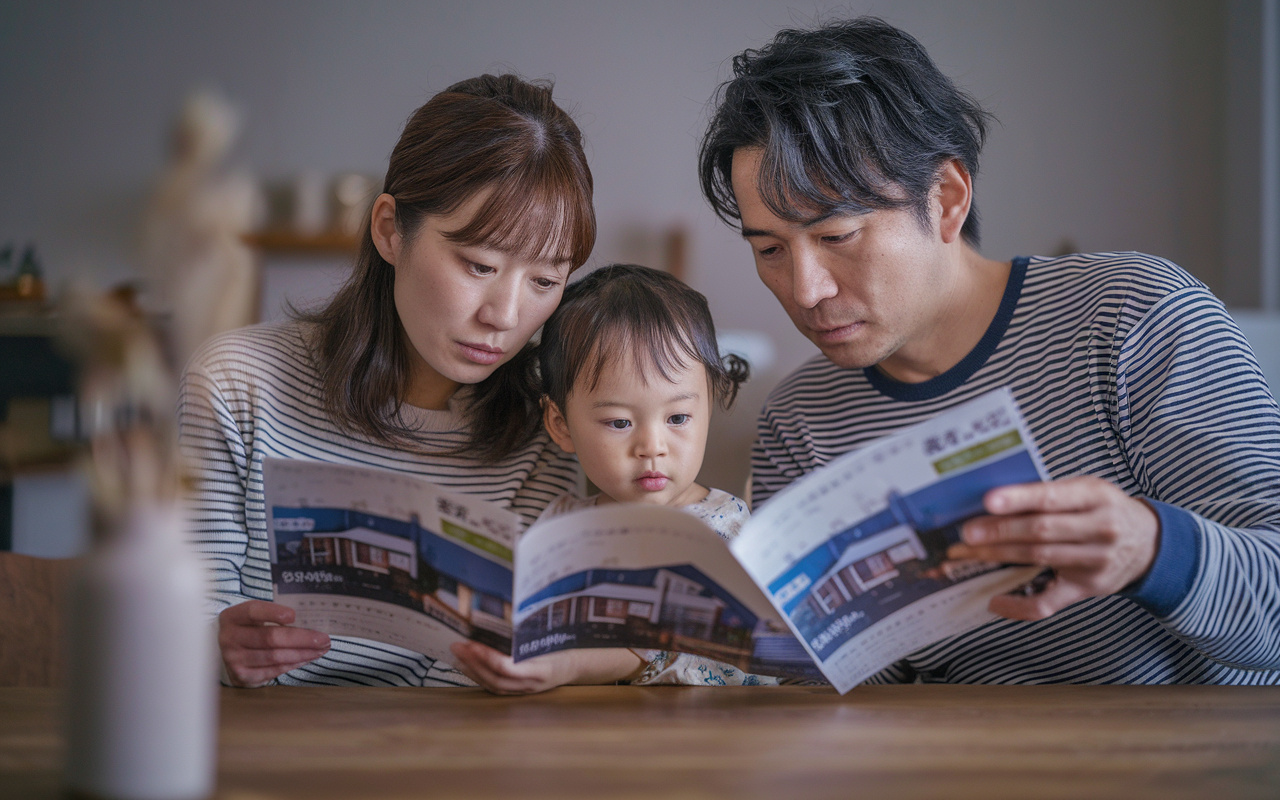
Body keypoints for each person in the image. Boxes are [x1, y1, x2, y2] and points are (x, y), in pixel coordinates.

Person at [698, 17, 1280, 684]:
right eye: (770, 249)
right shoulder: (799, 418)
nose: (805, 290)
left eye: (837, 236)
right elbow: (845, 696)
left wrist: (1154, 550)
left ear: (946, 199)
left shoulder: (1132, 316)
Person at [180, 74, 601, 688]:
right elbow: (180, 622)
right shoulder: (237, 385)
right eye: (479, 265)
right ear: (389, 230)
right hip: (257, 742)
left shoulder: (547, 426)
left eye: (544, 281)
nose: (505, 316)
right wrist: (213, 647)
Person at [450, 263, 778, 689]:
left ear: (708, 408)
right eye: (620, 422)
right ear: (561, 425)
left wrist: (572, 663)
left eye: (678, 417)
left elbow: (717, 656)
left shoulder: (728, 527)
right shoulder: (560, 528)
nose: (652, 446)